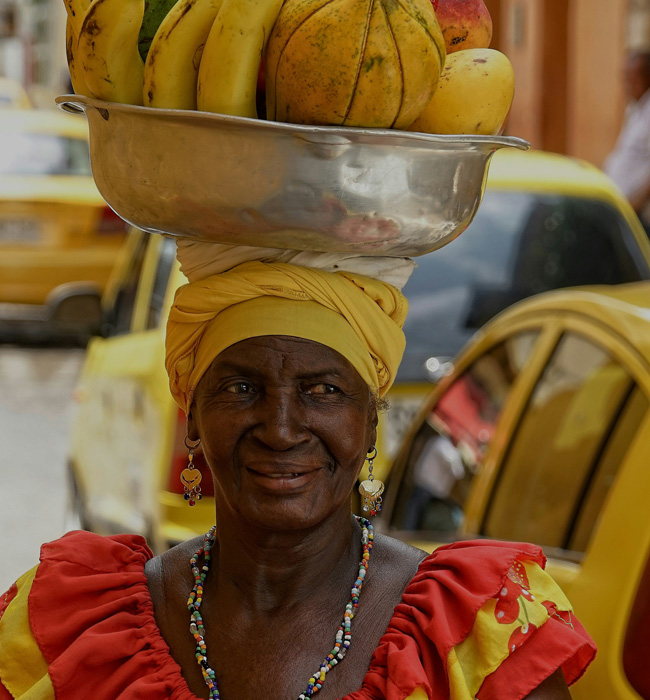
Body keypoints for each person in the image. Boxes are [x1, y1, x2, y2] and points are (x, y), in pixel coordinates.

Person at [0, 245, 595, 700]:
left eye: (323, 391)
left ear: (369, 425)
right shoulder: (71, 629)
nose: (281, 429)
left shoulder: (478, 635)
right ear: (194, 425)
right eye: (240, 388)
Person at [604, 50, 650, 235]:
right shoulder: (636, 108)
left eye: (632, 77)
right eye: (625, 77)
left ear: (647, 77)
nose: (627, 84)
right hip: (618, 204)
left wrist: (633, 206)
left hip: (632, 211)